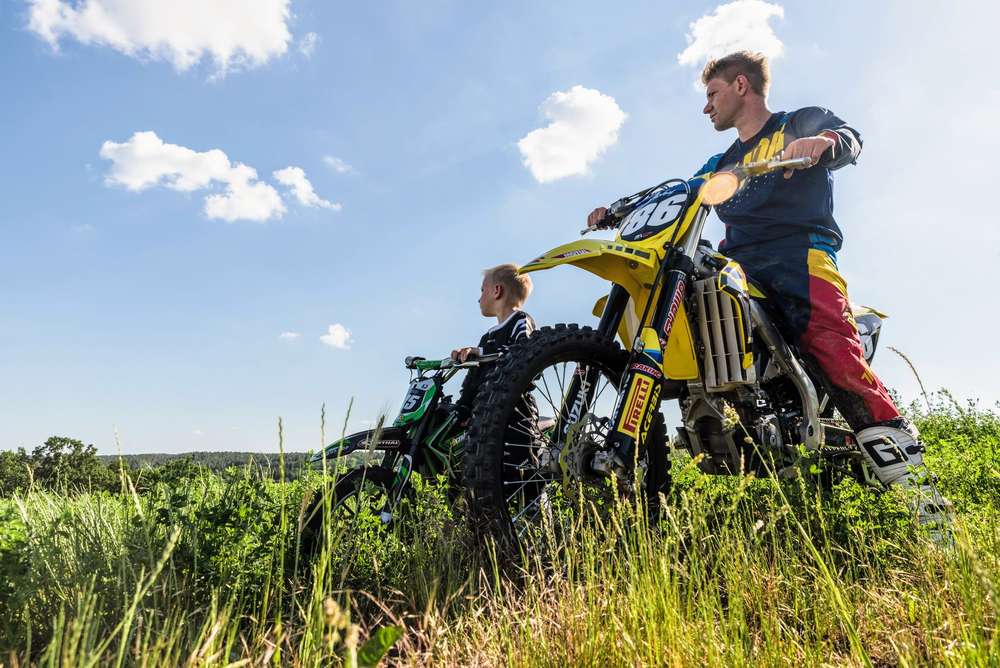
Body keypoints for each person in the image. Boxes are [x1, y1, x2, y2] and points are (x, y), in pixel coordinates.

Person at [586, 51, 950, 539]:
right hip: (739, 262)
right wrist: (624, 207)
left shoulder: (796, 123)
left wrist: (823, 143)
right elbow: (686, 190)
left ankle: (924, 501)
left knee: (835, 353)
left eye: (712, 94)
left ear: (741, 85)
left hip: (799, 253)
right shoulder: (721, 162)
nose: (706, 106)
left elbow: (849, 137)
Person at [451, 263, 536, 425]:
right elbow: (473, 377)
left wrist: (481, 352)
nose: (479, 298)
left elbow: (525, 353)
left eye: (482, 290)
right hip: (485, 409)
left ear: (497, 291)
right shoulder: (487, 337)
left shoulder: (520, 320)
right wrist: (463, 406)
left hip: (516, 412)